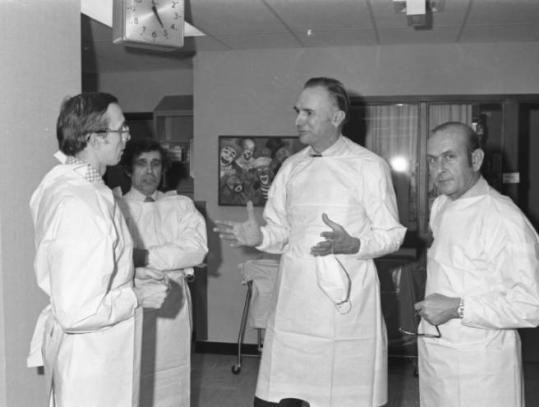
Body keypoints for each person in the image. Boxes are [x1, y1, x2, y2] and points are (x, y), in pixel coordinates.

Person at [215, 77, 406, 407]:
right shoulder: (291, 167)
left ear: (337, 117)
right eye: (297, 111)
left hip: (345, 305)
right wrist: (259, 236)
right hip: (296, 303)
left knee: (345, 394)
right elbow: (281, 232)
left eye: (308, 112)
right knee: (284, 393)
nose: (297, 120)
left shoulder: (369, 167)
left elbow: (392, 234)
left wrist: (355, 245)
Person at [27, 93, 169, 406]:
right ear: (94, 138)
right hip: (93, 359)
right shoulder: (79, 203)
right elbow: (78, 312)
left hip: (93, 352)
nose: (127, 138)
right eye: (122, 130)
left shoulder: (65, 182)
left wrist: (128, 274)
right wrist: (136, 295)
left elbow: (85, 264)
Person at [415, 121, 539, 407]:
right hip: (439, 355)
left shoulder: (504, 219)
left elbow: (531, 306)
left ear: (475, 159)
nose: (439, 168)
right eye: (432, 160)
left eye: (449, 157)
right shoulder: (442, 205)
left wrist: (457, 307)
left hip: (481, 366)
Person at [118, 138, 208, 407]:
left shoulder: (180, 205)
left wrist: (144, 256)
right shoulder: (116, 207)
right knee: (131, 375)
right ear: (128, 170)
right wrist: (170, 255)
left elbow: (197, 249)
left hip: (174, 305)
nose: (149, 172)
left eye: (156, 164)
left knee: (172, 376)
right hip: (133, 303)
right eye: (142, 164)